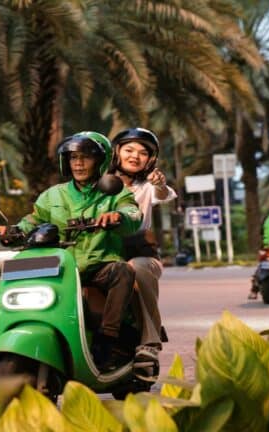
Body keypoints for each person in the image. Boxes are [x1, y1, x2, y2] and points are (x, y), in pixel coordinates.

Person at [0, 131, 143, 373]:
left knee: (122, 271)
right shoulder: (52, 195)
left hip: (97, 265)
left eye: (85, 157)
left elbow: (133, 214)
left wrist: (118, 216)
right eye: (73, 157)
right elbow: (33, 220)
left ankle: (107, 339)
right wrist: (12, 231)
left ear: (100, 161)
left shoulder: (114, 190)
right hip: (59, 267)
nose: (79, 163)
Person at [111, 127, 176, 379]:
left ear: (150, 160)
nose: (134, 156)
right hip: (102, 251)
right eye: (128, 150)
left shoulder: (149, 185)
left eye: (142, 153)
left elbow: (163, 194)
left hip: (140, 252)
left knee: (135, 268)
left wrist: (159, 183)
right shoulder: (99, 184)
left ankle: (149, 342)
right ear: (117, 152)